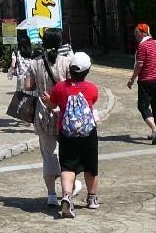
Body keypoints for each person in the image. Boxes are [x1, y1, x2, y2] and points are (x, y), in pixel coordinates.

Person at [43, 51, 100, 218]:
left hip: (67, 133)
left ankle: (67, 196)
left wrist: (47, 101)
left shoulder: (60, 87)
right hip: (88, 133)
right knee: (91, 166)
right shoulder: (92, 88)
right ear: (87, 70)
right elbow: (92, 102)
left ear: (70, 69)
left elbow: (53, 105)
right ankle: (92, 199)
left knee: (67, 167)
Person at [25, 28, 71, 207]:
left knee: (48, 154)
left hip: (43, 113)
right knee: (68, 154)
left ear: (43, 43)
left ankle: (51, 194)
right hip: (64, 113)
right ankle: (68, 190)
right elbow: (72, 86)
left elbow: (28, 86)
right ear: (60, 44)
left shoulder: (34, 63)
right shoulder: (67, 62)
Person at [127, 22, 156, 144]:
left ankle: (154, 129)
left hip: (146, 81)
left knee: (142, 106)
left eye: (136, 32)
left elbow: (139, 65)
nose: (135, 35)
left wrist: (132, 79)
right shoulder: (155, 44)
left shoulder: (142, 46)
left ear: (143, 33)